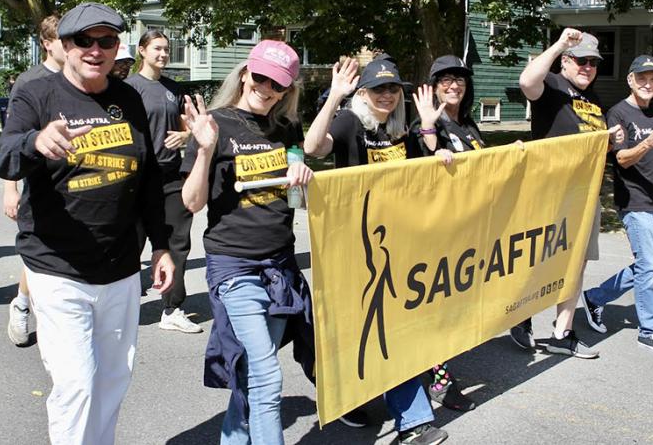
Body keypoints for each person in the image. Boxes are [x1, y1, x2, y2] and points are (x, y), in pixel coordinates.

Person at [0, 2, 175, 445]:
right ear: (66, 46)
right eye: (84, 41)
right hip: (56, 266)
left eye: (106, 41)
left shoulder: (127, 97)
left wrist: (162, 247)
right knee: (76, 386)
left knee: (112, 381)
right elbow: (2, 156)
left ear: (117, 48)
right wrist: (36, 141)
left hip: (121, 268)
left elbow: (147, 178)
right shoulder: (36, 92)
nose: (96, 50)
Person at [304, 57, 449, 445]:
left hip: (395, 246)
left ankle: (413, 421)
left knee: (391, 328)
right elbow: (314, 147)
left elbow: (424, 170)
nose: (387, 95)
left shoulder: (400, 131)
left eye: (393, 88)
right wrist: (335, 96)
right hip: (352, 245)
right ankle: (342, 390)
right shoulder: (352, 122)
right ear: (363, 93)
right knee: (349, 331)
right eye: (378, 89)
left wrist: (436, 149)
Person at [181, 40, 315, 445]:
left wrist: (300, 179)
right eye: (260, 77)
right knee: (267, 377)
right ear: (244, 74)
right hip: (234, 266)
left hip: (280, 265)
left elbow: (296, 200)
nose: (267, 88)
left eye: (278, 85)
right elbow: (191, 202)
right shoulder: (215, 125)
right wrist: (204, 151)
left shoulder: (288, 128)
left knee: (253, 373)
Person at [514, 28, 622, 358]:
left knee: (575, 265)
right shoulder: (553, 86)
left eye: (594, 63)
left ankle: (563, 332)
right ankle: (520, 318)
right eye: (581, 60)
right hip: (547, 193)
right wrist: (560, 43)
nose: (588, 67)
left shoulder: (594, 99)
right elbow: (526, 82)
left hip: (584, 197)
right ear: (566, 62)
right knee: (537, 262)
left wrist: (608, 142)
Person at [581, 55, 653, 355]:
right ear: (630, 80)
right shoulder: (618, 113)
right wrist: (647, 143)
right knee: (648, 266)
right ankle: (649, 331)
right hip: (633, 203)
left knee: (648, 267)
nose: (647, 84)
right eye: (642, 78)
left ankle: (596, 297)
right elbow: (621, 159)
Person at [409, 54, 485, 412]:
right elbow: (421, 157)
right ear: (434, 85)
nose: (454, 85)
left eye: (460, 80)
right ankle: (438, 378)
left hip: (466, 230)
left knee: (453, 307)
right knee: (434, 309)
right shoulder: (426, 125)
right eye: (445, 80)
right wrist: (429, 134)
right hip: (435, 233)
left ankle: (436, 365)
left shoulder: (469, 125)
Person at [126, 29, 200, 333]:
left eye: (167, 49)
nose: (163, 54)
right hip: (137, 178)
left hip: (171, 176)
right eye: (157, 48)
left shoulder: (174, 88)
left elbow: (189, 125)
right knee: (131, 244)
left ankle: (172, 308)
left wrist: (186, 134)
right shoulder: (129, 88)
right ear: (142, 51)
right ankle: (122, 305)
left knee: (176, 243)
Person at [3, 13, 66, 347]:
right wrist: (10, 188)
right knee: (40, 250)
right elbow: (11, 142)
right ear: (47, 43)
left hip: (75, 184)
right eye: (63, 40)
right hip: (38, 183)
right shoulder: (30, 82)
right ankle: (22, 303)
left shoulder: (81, 79)